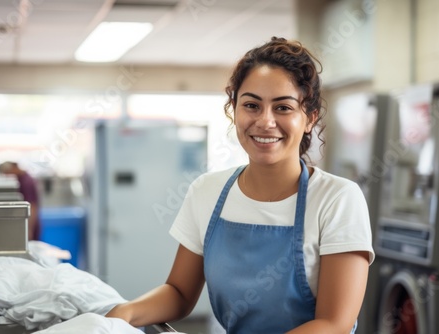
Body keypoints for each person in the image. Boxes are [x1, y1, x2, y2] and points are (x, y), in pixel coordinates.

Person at [106, 37, 374, 333]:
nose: (265, 121)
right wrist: (125, 312)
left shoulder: (336, 199)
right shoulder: (206, 191)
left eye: (283, 108)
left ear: (309, 118)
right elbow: (179, 293)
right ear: (234, 110)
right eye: (251, 105)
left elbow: (334, 323)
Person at [0, 161, 41, 241]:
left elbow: (32, 206)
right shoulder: (21, 179)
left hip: (30, 223)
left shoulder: (26, 182)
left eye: (7, 172)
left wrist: (29, 229)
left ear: (13, 168)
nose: (7, 175)